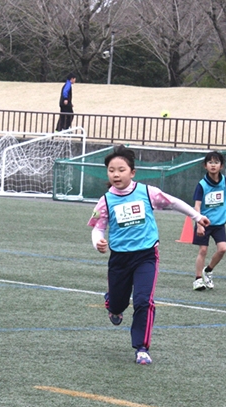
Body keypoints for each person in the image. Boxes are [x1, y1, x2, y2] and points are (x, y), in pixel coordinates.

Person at [87, 145, 210, 365]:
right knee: (117, 304)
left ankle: (141, 348)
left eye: (121, 169)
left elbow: (172, 202)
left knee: (144, 301)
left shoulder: (147, 192)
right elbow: (97, 227)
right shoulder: (105, 200)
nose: (116, 174)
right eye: (111, 170)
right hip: (119, 259)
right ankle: (112, 304)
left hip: (146, 257)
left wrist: (196, 216)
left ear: (132, 172)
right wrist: (98, 242)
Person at [192, 151, 226, 291]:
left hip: (219, 224)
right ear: (205, 166)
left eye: (216, 162)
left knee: (222, 249)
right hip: (204, 223)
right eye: (210, 162)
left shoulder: (225, 181)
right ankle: (198, 279)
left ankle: (208, 270)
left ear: (221, 166)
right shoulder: (202, 185)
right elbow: (196, 205)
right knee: (203, 250)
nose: (213, 165)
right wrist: (199, 224)